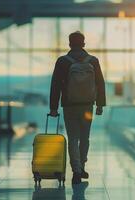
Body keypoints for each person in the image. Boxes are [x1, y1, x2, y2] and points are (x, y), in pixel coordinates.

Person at [49, 31, 106, 184]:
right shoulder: (93, 60)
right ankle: (82, 166)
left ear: (69, 44)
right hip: (87, 106)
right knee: (84, 137)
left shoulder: (62, 61)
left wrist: (53, 108)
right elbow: (100, 83)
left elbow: (55, 85)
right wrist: (100, 104)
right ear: (84, 44)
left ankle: (76, 170)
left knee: (73, 138)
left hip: (69, 106)